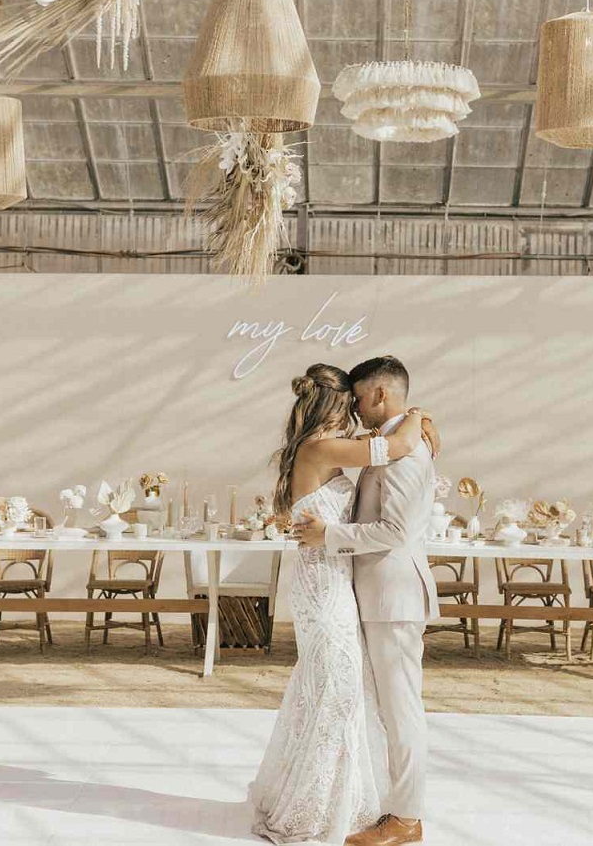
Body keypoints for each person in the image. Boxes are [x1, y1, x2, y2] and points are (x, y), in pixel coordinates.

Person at [250, 362, 438, 846]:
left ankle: (401, 818)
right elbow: (391, 447)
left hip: (374, 591)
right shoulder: (330, 447)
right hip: (331, 585)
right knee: (337, 691)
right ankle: (328, 802)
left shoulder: (381, 450)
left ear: (376, 393)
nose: (355, 410)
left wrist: (415, 422)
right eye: (347, 401)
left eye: (359, 399)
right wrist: (416, 418)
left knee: (375, 702)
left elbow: (394, 524)